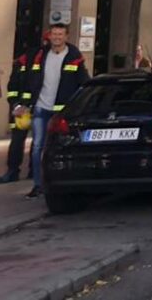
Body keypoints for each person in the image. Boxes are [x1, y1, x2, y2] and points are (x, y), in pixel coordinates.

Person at [26, 23, 89, 199]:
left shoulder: (74, 56)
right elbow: (31, 78)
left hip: (61, 111)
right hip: (41, 106)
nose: (57, 37)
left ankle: (56, 182)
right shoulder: (41, 54)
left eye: (60, 34)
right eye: (54, 34)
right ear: (49, 36)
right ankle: (38, 185)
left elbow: (82, 81)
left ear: (66, 37)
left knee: (57, 147)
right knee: (37, 146)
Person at [1, 39, 41, 184]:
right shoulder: (20, 64)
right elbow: (12, 87)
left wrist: (29, 104)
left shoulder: (41, 64)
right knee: (17, 141)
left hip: (37, 107)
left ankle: (32, 170)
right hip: (20, 111)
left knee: (37, 142)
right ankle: (12, 171)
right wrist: (16, 105)